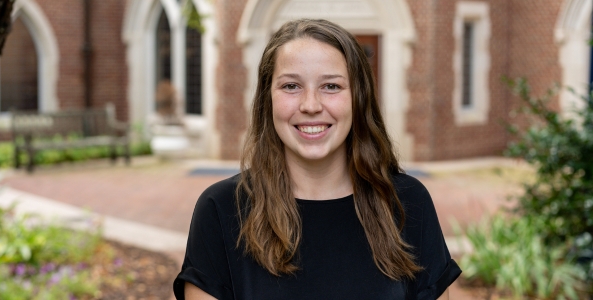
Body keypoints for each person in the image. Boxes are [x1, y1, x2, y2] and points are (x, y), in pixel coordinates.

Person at [173, 18, 461, 300]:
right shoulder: (221, 210)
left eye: (331, 86)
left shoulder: (408, 203)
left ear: (358, 98)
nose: (310, 105)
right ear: (267, 98)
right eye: (291, 86)